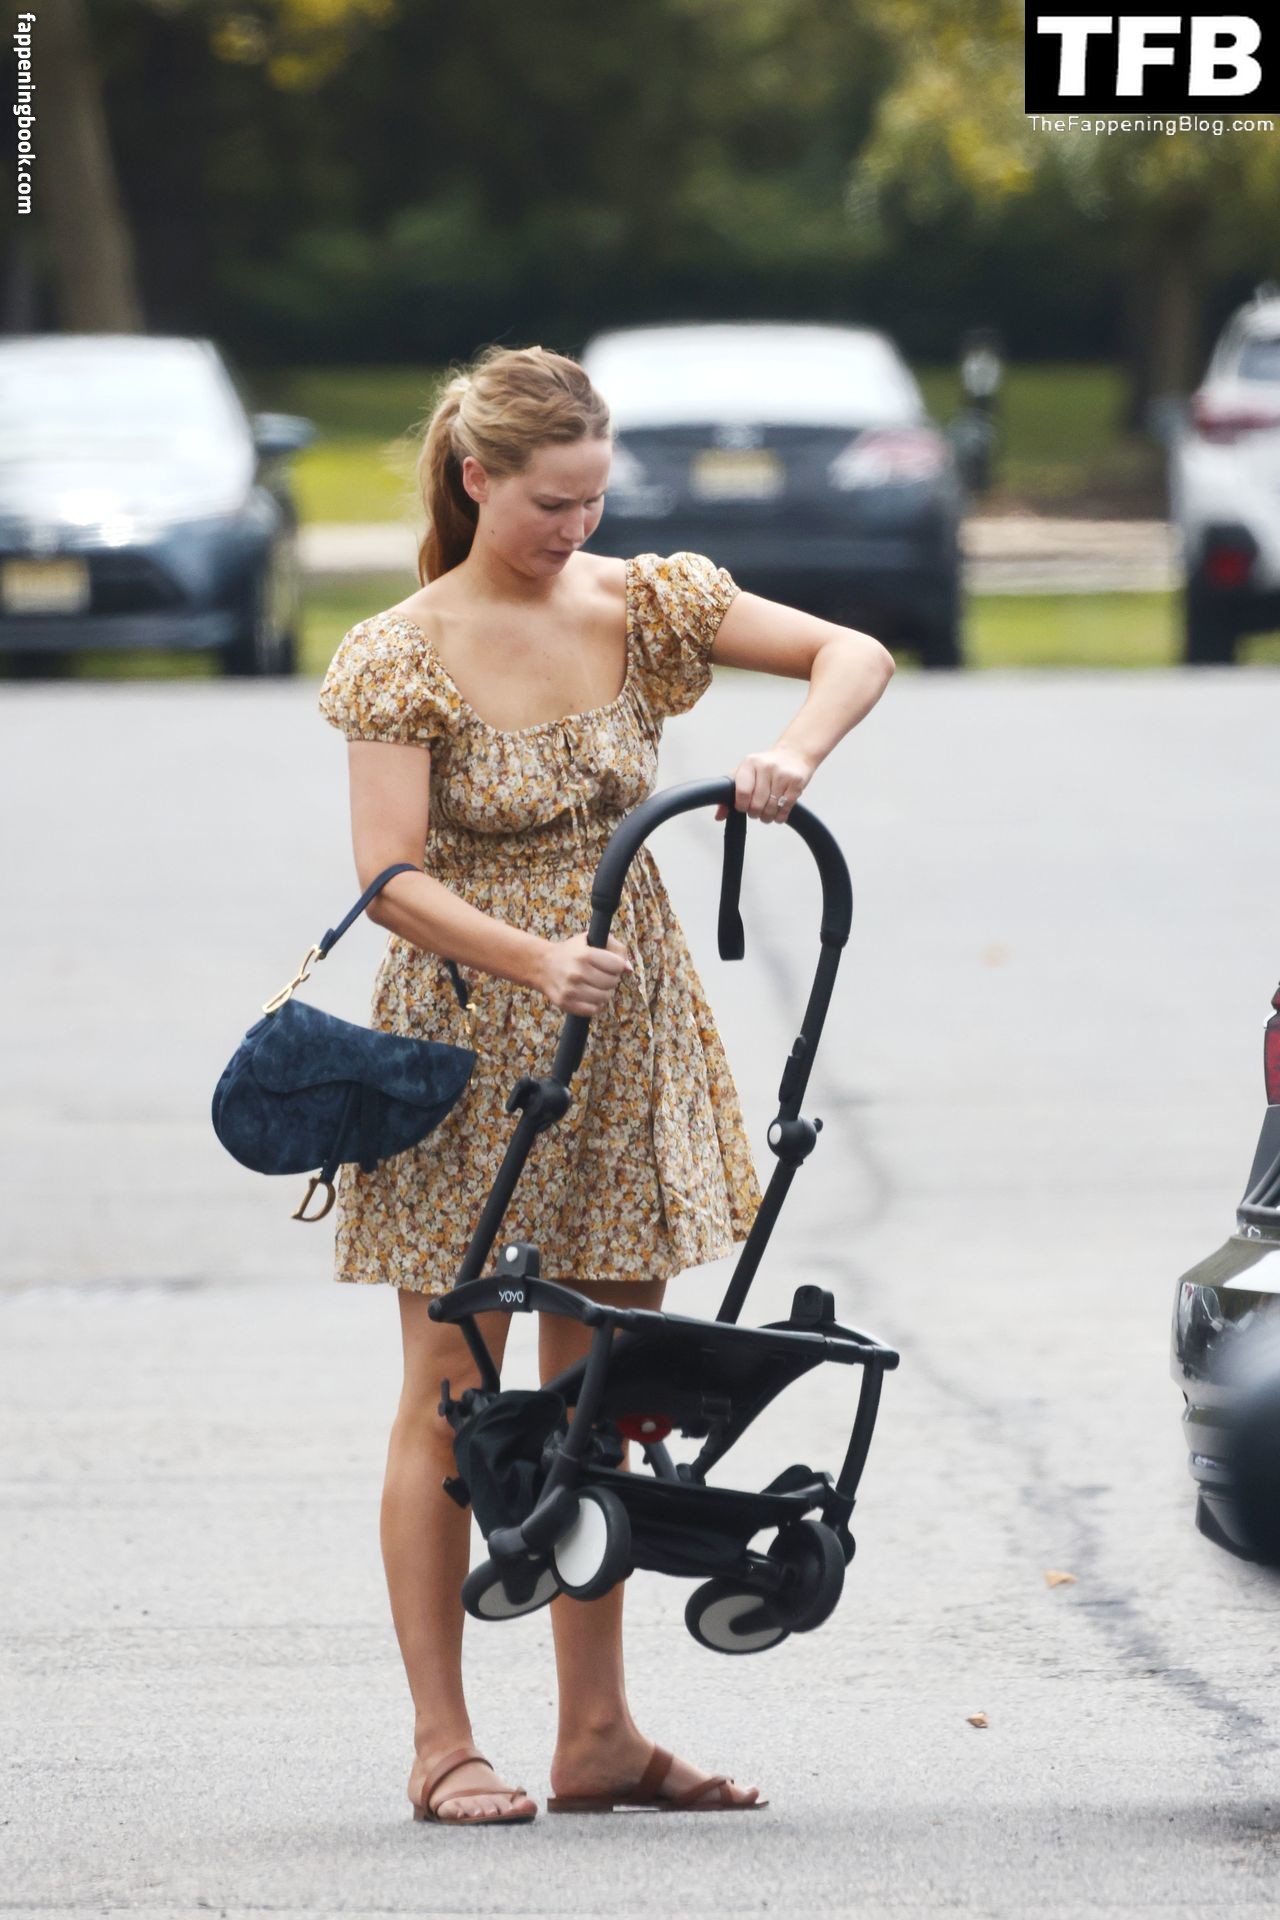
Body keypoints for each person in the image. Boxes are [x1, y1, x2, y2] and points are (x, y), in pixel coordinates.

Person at [316, 343, 895, 1825]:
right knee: (453, 1393)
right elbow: (386, 877)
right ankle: (443, 1743)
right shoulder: (399, 650)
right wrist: (531, 960)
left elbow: (854, 654)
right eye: (548, 505)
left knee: (604, 1398)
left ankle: (597, 1735)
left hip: (628, 1031)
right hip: (468, 1036)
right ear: (476, 479)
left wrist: (789, 755)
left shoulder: (646, 602)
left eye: (592, 502)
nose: (574, 529)